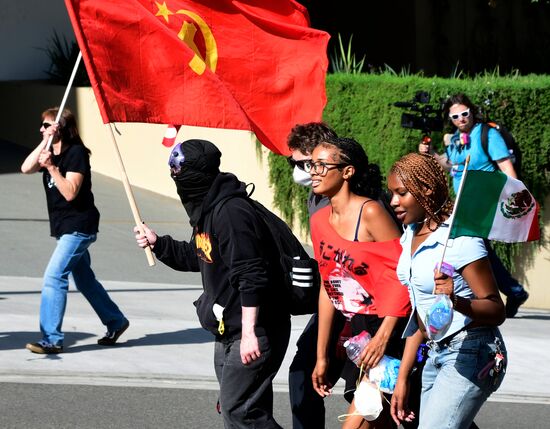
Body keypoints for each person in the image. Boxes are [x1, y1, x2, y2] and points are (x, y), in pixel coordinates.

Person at [135, 139, 290, 428]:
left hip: (255, 329)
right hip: (228, 329)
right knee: (243, 410)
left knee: (240, 412)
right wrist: (158, 244)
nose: (174, 177)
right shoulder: (208, 209)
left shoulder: (231, 212)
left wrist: (249, 333)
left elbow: (251, 275)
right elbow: (199, 256)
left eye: (178, 171)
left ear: (196, 175)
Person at [387, 152, 507, 428]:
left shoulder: (460, 239)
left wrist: (455, 300)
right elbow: (420, 312)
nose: (393, 201)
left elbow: (496, 309)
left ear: (426, 189)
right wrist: (403, 377)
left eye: (401, 193)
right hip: (434, 350)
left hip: (471, 350)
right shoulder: (410, 234)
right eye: (392, 193)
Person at [308, 137, 411, 428]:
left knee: (364, 416)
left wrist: (383, 337)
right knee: (381, 420)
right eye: (311, 165)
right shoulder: (318, 221)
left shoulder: (371, 212)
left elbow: (404, 275)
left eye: (321, 165)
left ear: (347, 171)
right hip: (359, 331)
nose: (313, 171)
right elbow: (329, 287)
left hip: (391, 328)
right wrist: (322, 355)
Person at [21, 107, 129, 354]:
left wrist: (51, 168)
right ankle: (116, 321)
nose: (41, 129)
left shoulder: (76, 153)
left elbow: (70, 192)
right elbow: (26, 168)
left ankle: (52, 339)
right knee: (84, 280)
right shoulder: (50, 152)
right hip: (63, 227)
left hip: (79, 226)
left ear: (60, 127)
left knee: (54, 277)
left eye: (46, 125)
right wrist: (45, 142)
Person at [419, 92, 529, 317]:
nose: (461, 119)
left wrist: (516, 199)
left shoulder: (487, 134)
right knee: (479, 250)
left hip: (483, 203)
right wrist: (432, 154)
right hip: (463, 204)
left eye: (465, 113)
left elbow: (506, 168)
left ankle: (489, 294)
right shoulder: (456, 138)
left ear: (472, 112)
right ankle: (511, 291)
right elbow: (451, 165)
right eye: (455, 116)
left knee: (469, 246)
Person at [286, 122, 353, 429]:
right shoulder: (316, 196)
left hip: (362, 311)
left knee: (379, 398)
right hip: (333, 298)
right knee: (303, 374)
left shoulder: (360, 205)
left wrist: (349, 327)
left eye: (307, 163)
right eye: (299, 164)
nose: (304, 171)